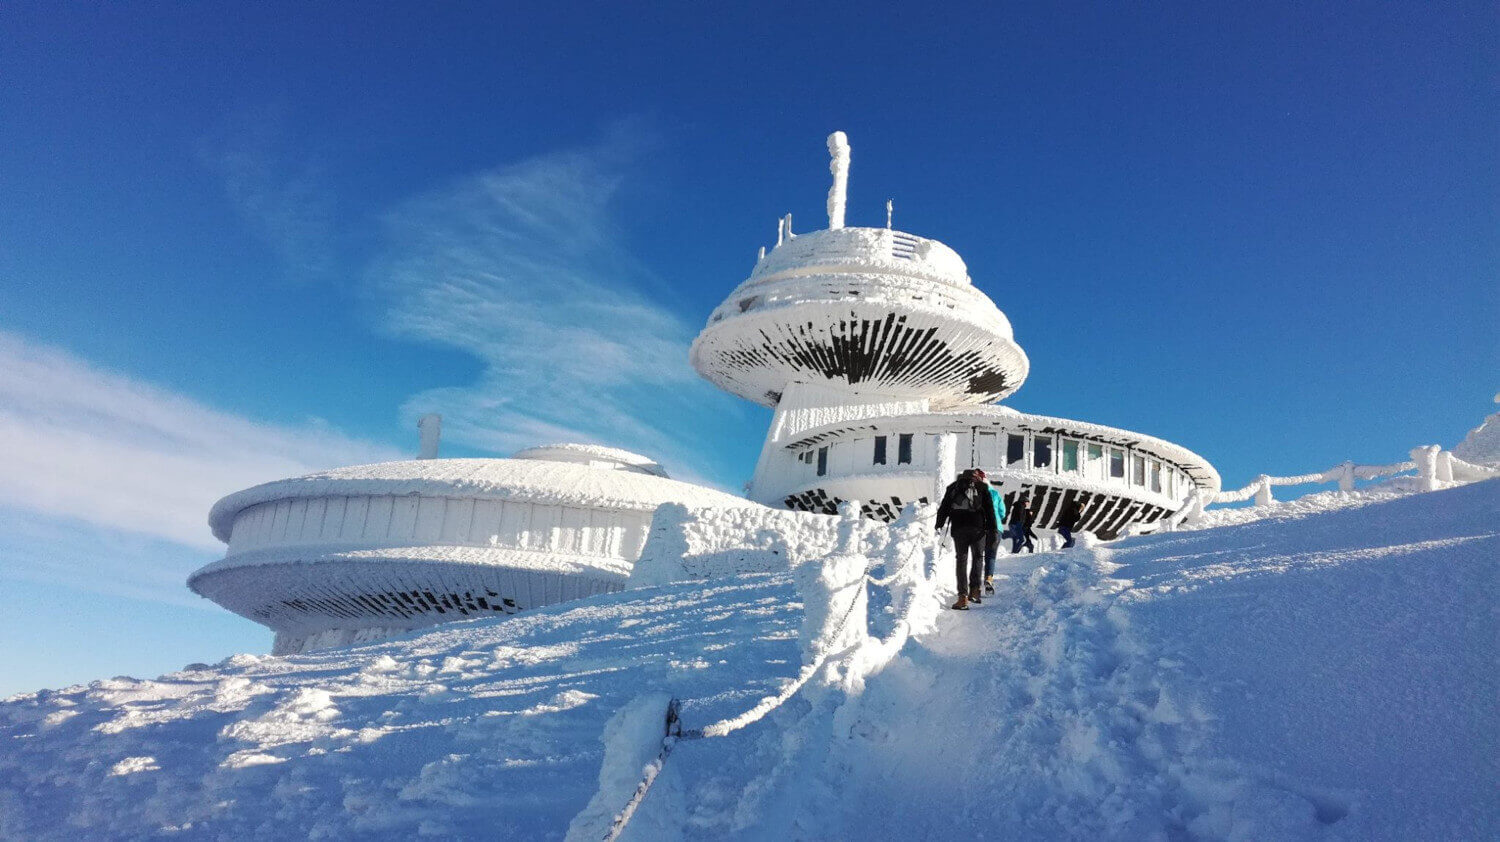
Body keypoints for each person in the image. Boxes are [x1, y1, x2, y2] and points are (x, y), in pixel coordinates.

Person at [936, 468, 999, 610]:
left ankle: (962, 598)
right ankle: (975, 592)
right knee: (978, 557)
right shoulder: (982, 488)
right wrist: (993, 529)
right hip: (978, 528)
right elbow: (989, 510)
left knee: (961, 560)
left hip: (959, 528)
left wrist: (939, 524)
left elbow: (944, 507)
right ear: (976, 478)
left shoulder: (954, 487)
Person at [981, 472, 1005, 593]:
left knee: (978, 555)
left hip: (981, 528)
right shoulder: (995, 494)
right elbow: (1002, 512)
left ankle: (974, 582)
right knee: (991, 555)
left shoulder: (975, 494)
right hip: (995, 528)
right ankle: (989, 578)